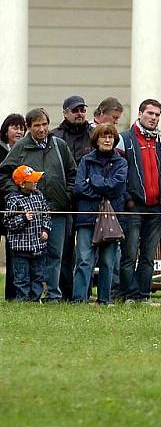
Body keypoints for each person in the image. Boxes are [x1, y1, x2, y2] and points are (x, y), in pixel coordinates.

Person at [0, 108, 77, 302]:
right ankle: (27, 297)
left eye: (44, 124)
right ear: (29, 127)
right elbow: (4, 174)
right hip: (28, 214)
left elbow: (72, 173)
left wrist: (66, 195)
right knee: (28, 257)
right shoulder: (20, 147)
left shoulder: (60, 145)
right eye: (37, 126)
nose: (41, 129)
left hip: (57, 209)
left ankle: (53, 295)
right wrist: (17, 196)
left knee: (55, 255)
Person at [116, 99, 161, 302]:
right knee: (129, 255)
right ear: (140, 114)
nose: (154, 118)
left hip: (156, 208)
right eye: (150, 113)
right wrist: (128, 199)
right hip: (133, 207)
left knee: (149, 257)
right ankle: (127, 294)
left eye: (157, 115)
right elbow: (119, 173)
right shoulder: (125, 139)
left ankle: (142, 295)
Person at [71, 124, 127, 305]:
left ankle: (104, 300)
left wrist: (93, 180)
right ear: (96, 139)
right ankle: (79, 298)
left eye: (110, 136)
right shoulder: (86, 161)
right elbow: (78, 188)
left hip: (111, 219)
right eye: (104, 136)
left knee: (108, 262)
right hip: (87, 217)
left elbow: (116, 188)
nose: (107, 140)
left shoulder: (121, 162)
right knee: (84, 260)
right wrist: (103, 187)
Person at [51, 95, 94, 304]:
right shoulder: (54, 137)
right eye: (75, 110)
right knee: (63, 250)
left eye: (82, 110)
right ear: (65, 112)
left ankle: (82, 294)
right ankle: (64, 292)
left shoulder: (94, 134)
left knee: (86, 253)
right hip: (64, 202)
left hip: (87, 201)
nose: (80, 114)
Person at [4, 165, 51, 301]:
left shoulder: (39, 196)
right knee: (21, 277)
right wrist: (23, 218)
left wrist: (45, 229)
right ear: (22, 184)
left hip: (38, 247)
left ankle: (36, 299)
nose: (36, 182)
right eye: (32, 180)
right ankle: (23, 300)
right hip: (21, 249)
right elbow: (8, 223)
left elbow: (47, 215)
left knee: (38, 275)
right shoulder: (13, 200)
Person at [0, 113, 26, 300]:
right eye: (14, 127)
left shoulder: (24, 150)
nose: (19, 131)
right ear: (6, 130)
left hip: (15, 210)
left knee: (14, 253)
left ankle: (13, 294)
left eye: (21, 128)